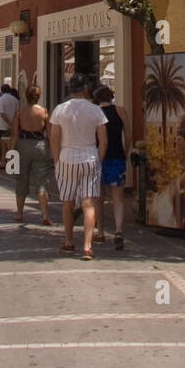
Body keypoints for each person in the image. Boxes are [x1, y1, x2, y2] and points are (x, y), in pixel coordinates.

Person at [49, 73, 107, 259]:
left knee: (67, 202)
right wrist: (99, 158)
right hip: (89, 155)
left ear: (70, 89)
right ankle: (87, 246)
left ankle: (69, 240)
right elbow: (103, 140)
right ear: (86, 89)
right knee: (88, 203)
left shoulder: (60, 110)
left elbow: (54, 138)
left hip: (67, 156)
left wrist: (56, 160)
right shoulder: (96, 110)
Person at [10, 83, 56, 225]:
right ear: (38, 97)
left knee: (21, 180)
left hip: (22, 145)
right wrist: (54, 153)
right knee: (41, 182)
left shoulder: (19, 112)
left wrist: (11, 154)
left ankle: (19, 212)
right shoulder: (44, 112)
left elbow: (14, 134)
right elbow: (50, 134)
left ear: (26, 96)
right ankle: (44, 214)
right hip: (40, 146)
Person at [93, 85, 129, 249]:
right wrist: (126, 152)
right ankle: (119, 230)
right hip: (117, 156)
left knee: (98, 198)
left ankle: (100, 232)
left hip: (98, 158)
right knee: (118, 197)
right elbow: (127, 135)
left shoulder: (94, 113)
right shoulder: (120, 111)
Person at [0, 82, 20, 151]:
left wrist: (9, 123)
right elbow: (17, 113)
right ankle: (10, 161)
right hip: (13, 128)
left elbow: (2, 114)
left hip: (3, 127)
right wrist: (13, 124)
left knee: (4, 150)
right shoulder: (15, 100)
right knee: (11, 149)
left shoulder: (1, 100)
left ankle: (3, 161)